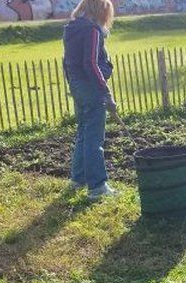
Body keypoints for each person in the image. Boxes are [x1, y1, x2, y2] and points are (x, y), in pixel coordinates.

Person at [63, 0, 117, 200]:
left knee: (84, 133)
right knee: (94, 137)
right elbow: (91, 63)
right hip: (91, 88)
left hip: (77, 85)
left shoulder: (71, 28)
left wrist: (73, 85)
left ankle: (77, 179)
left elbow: (66, 62)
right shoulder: (92, 30)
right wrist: (106, 92)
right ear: (100, 10)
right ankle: (97, 186)